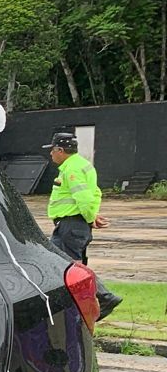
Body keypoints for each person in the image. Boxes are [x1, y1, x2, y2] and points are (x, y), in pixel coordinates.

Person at [45, 131, 123, 319]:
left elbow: (85, 198)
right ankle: (77, 308)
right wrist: (91, 216)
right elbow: (95, 193)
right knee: (61, 264)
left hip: (71, 225)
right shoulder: (83, 165)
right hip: (73, 224)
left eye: (52, 150)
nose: (50, 154)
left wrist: (88, 218)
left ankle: (104, 297)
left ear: (60, 150)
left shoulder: (72, 169)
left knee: (69, 267)